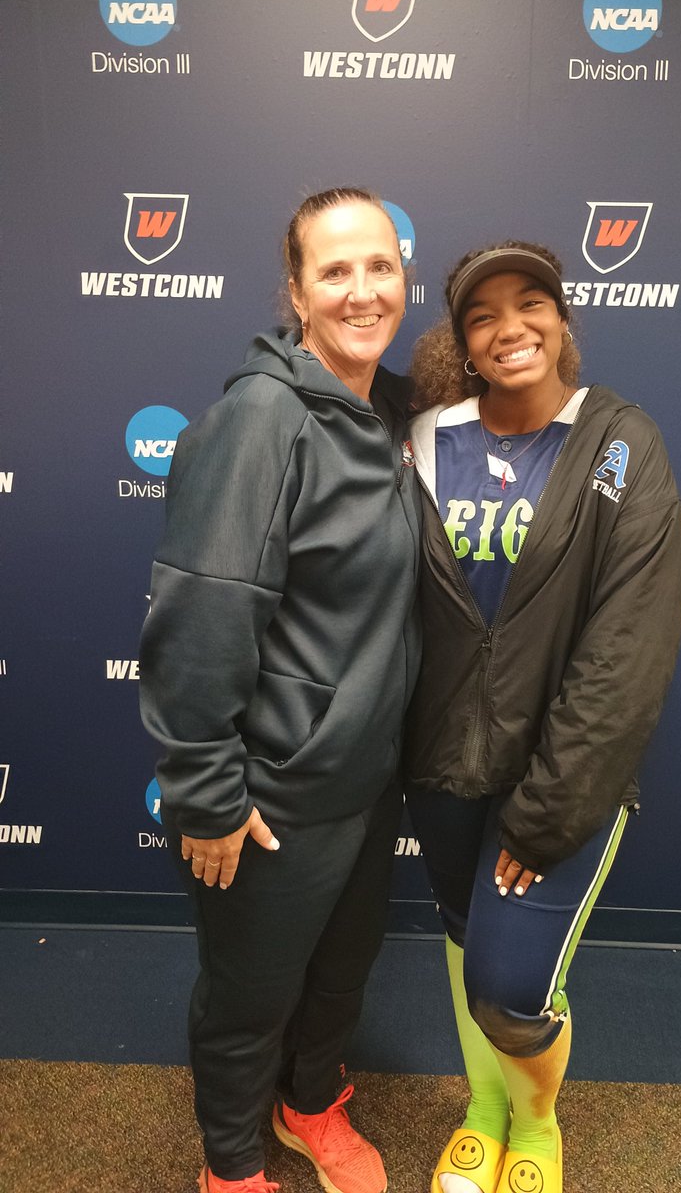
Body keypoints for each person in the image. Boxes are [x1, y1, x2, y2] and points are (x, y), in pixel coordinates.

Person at [139, 187, 420, 1193]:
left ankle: (308, 1107)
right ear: (295, 294)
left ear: (406, 280)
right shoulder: (262, 419)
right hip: (271, 802)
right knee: (248, 997)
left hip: (366, 783)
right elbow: (202, 619)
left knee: (339, 978)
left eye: (378, 267)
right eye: (334, 270)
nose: (360, 289)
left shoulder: (392, 418)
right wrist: (209, 796)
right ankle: (230, 1163)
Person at [403, 242, 681, 1193]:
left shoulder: (618, 443)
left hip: (559, 778)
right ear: (464, 341)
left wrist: (552, 807)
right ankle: (482, 1112)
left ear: (565, 320)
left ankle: (536, 1121)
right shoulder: (424, 440)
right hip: (441, 760)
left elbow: (628, 647)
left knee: (512, 987)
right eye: (483, 315)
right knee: (457, 935)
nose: (510, 326)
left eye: (532, 303)